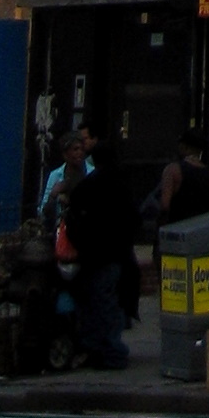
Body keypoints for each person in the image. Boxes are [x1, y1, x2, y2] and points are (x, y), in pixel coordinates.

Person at [63, 131, 139, 370]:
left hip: (96, 255)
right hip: (119, 253)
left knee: (98, 302)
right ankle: (106, 349)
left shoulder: (90, 186)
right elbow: (134, 218)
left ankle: (107, 351)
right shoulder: (123, 182)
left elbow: (75, 218)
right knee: (109, 302)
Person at [153, 130, 209, 230]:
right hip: (204, 232)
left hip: (179, 231)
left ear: (183, 146)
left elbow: (165, 205)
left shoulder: (172, 170)